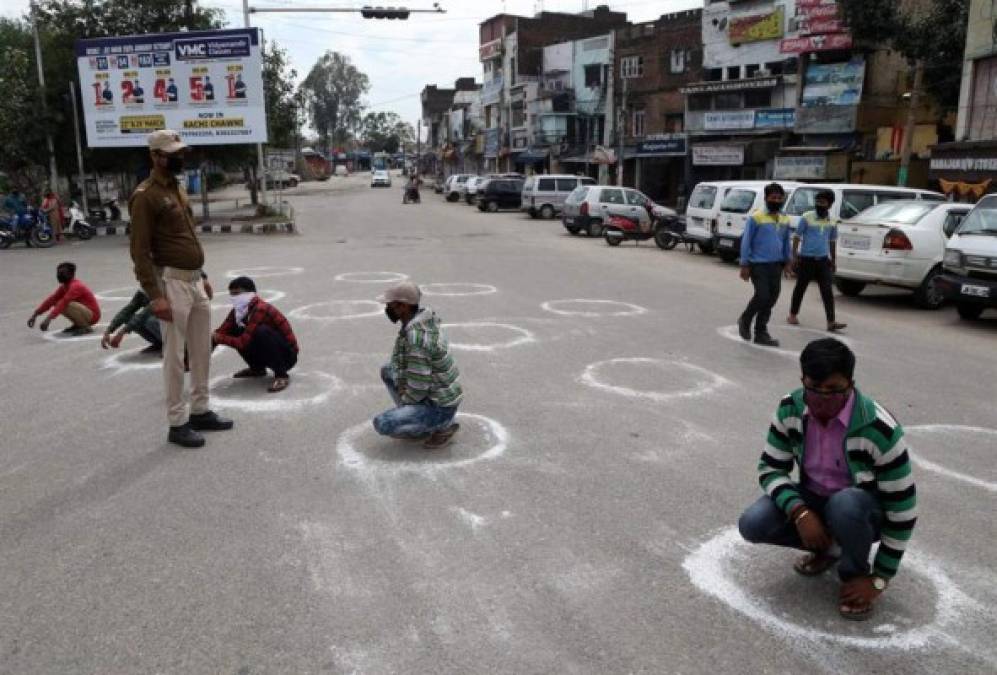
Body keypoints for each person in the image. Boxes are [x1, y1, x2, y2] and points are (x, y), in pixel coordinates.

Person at [737, 338, 917, 621]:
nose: (822, 398)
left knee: (845, 504)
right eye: (813, 388)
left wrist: (880, 579)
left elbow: (903, 512)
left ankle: (855, 573)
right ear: (802, 380)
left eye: (834, 389)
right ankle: (829, 548)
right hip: (814, 497)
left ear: (851, 383)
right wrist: (800, 512)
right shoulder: (790, 408)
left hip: (861, 512)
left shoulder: (879, 429)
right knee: (753, 523)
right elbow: (770, 469)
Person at [129, 129, 232, 449]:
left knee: (202, 350)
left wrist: (202, 273)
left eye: (180, 153)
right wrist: (156, 295)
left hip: (193, 280)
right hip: (170, 283)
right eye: (173, 154)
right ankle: (177, 422)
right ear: (155, 157)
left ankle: (200, 410)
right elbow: (139, 251)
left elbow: (187, 237)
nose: (179, 158)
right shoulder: (145, 195)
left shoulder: (177, 189)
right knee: (174, 356)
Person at [374, 281, 463, 449]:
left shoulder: (416, 337)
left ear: (404, 307)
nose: (388, 309)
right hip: (434, 394)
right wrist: (402, 383)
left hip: (439, 406)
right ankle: (416, 414)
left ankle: (441, 426)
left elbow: (420, 384)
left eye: (391, 305)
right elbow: (402, 363)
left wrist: (407, 398)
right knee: (388, 370)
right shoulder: (420, 322)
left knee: (383, 423)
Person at [212, 276, 299, 393]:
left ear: (250, 293)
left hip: (287, 357)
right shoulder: (237, 312)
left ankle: (281, 375)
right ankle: (257, 369)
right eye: (232, 295)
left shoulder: (260, 309)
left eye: (237, 294)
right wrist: (211, 340)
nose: (234, 298)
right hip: (268, 351)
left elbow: (243, 342)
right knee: (235, 330)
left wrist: (219, 338)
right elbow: (221, 331)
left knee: (261, 332)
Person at [738, 182, 794, 347]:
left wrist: (788, 261)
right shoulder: (756, 217)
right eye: (773, 197)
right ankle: (745, 319)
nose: (776, 200)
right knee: (762, 296)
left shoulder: (785, 218)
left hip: (775, 265)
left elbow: (785, 242)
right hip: (758, 264)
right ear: (766, 198)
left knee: (772, 298)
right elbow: (746, 241)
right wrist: (744, 264)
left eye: (779, 198)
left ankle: (761, 333)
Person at [788, 190, 847, 332]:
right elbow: (797, 236)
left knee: (827, 291)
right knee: (800, 288)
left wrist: (833, 260)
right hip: (806, 260)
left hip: (823, 261)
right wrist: (794, 256)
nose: (819, 205)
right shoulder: (806, 217)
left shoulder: (832, 221)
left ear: (830, 205)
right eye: (818, 202)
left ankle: (831, 322)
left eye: (823, 202)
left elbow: (832, 241)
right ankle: (792, 315)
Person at [27, 262, 101, 336]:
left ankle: (85, 327)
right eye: (58, 273)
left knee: (65, 304)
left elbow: (64, 302)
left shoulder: (76, 286)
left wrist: (48, 319)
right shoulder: (64, 286)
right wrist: (35, 315)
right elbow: (51, 299)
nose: (59, 275)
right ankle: (78, 324)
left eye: (62, 273)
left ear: (71, 274)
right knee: (57, 302)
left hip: (93, 315)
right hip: (86, 313)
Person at [101, 289, 162, 354]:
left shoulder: (160, 289)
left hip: (170, 322)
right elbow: (126, 311)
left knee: (149, 321)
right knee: (128, 317)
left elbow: (144, 315)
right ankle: (159, 343)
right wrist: (108, 331)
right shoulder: (143, 291)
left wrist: (122, 332)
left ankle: (169, 345)